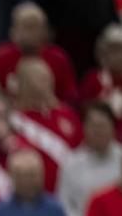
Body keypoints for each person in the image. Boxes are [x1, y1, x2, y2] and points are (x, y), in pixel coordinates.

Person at [7, 58, 82, 193]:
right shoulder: (14, 120)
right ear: (24, 82)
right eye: (38, 77)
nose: (45, 82)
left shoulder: (67, 114)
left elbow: (81, 149)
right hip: (34, 194)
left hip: (71, 190)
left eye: (47, 76)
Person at [56, 102, 122, 216]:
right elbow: (64, 205)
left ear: (113, 129)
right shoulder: (70, 164)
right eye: (93, 126)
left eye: (102, 126)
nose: (98, 131)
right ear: (84, 128)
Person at [0, 2, 77, 103]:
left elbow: (70, 98)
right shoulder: (1, 58)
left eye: (35, 27)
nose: (30, 33)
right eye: (25, 27)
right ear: (13, 30)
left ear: (45, 31)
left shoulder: (58, 58)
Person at [80, 25, 122, 139]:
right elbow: (82, 109)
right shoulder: (93, 78)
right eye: (113, 51)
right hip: (100, 136)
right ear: (104, 53)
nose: (118, 56)